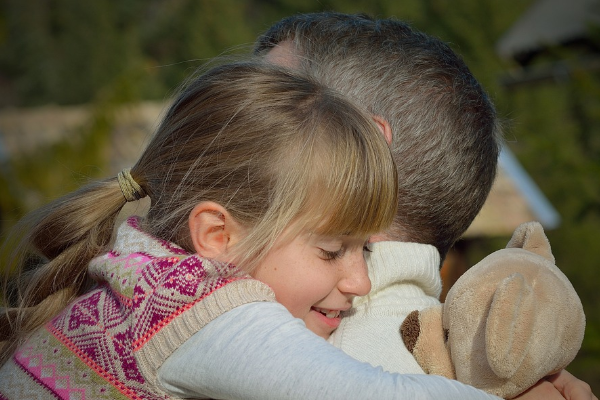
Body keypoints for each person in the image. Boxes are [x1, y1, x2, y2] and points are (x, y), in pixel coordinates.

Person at [0, 62, 507, 399]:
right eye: (332, 251)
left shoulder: (142, 264)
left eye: (364, 251)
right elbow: (378, 394)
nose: (361, 282)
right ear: (219, 236)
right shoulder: (200, 312)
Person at [254, 11, 596, 399]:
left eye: (262, 116)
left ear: (362, 151)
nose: (220, 138)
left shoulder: (272, 365)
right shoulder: (459, 368)